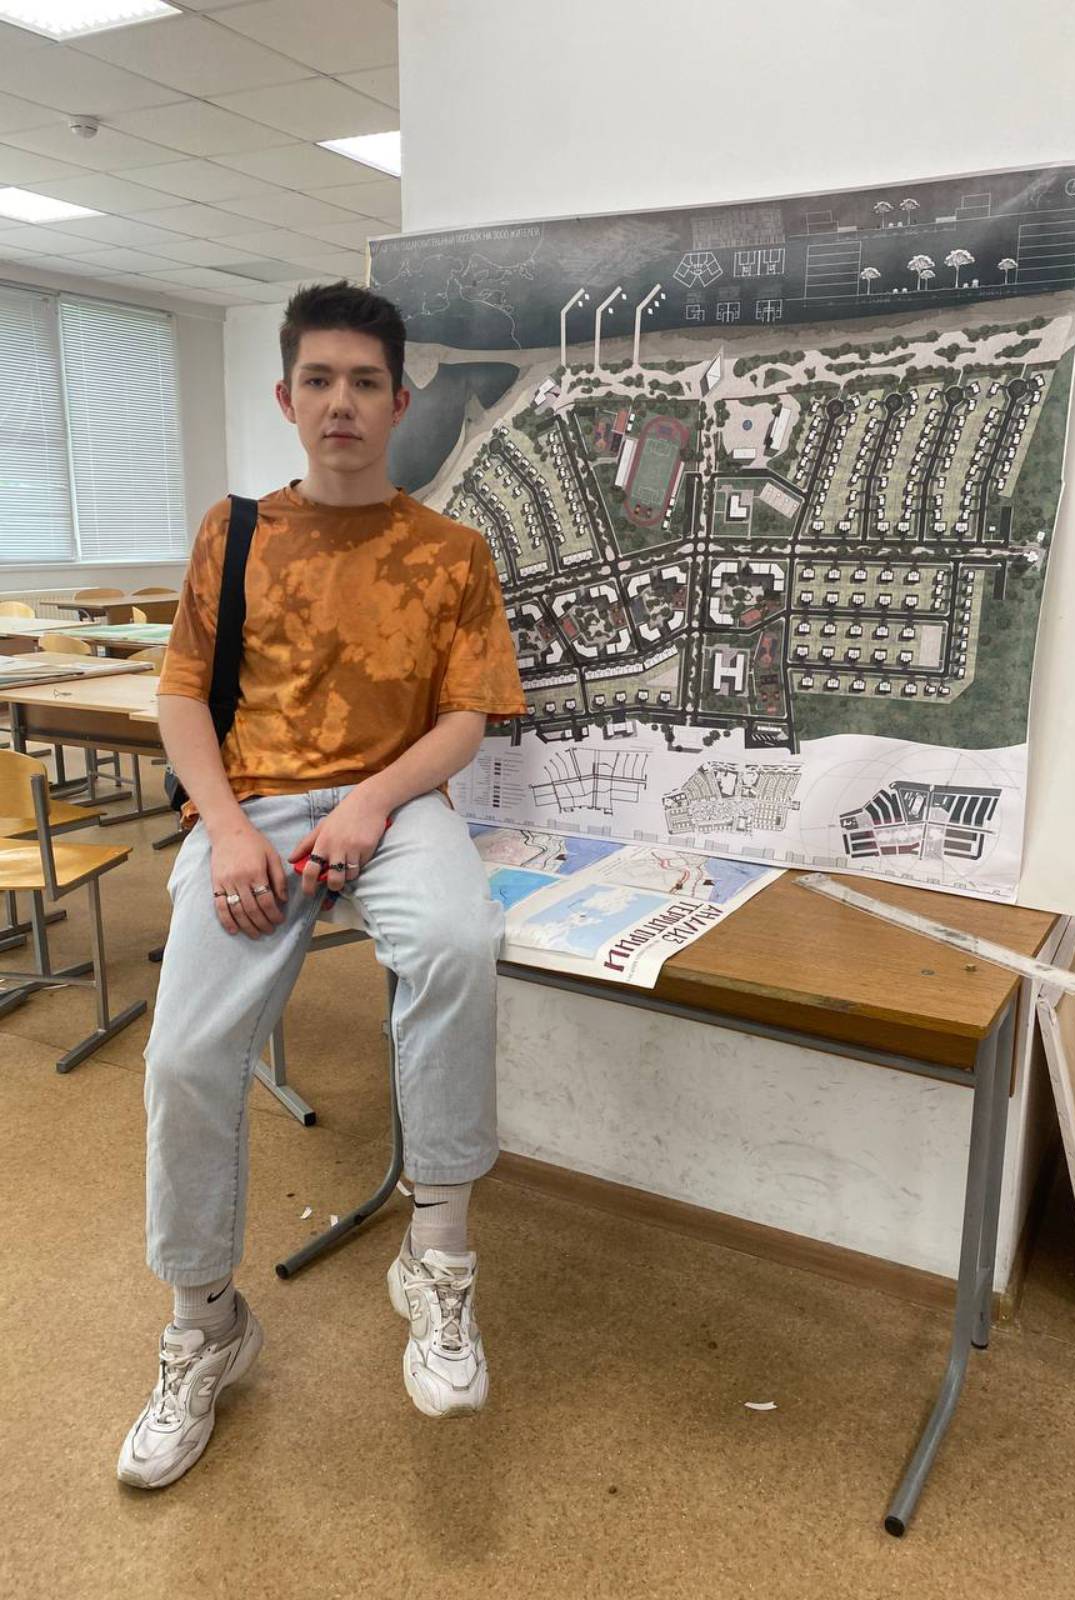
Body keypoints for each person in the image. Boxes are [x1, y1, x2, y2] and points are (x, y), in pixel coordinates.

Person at [118, 281, 526, 1490]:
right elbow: (182, 699)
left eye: (364, 382)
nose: (340, 401)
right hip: (248, 809)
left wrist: (367, 803)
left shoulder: (453, 553)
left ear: (399, 402)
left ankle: (437, 1257)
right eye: (318, 380)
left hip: (393, 805)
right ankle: (206, 1322)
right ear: (285, 397)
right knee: (184, 1055)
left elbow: (465, 718)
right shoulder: (235, 532)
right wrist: (223, 827)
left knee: (457, 943)